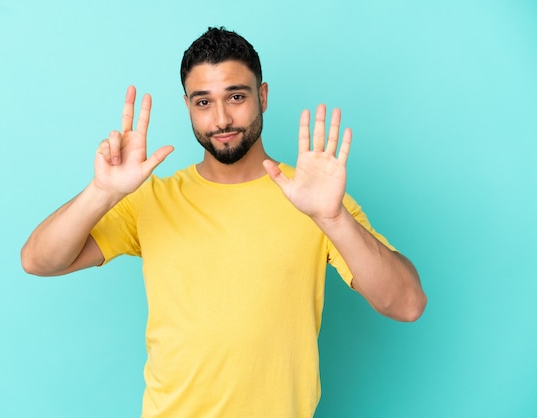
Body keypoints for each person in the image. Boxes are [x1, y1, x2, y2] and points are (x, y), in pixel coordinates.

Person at [21, 27, 426, 418]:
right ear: (187, 107)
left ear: (262, 96)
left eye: (236, 96)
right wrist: (102, 191)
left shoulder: (315, 200)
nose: (221, 119)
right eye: (203, 102)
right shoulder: (150, 200)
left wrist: (332, 218)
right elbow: (39, 261)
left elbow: (407, 304)